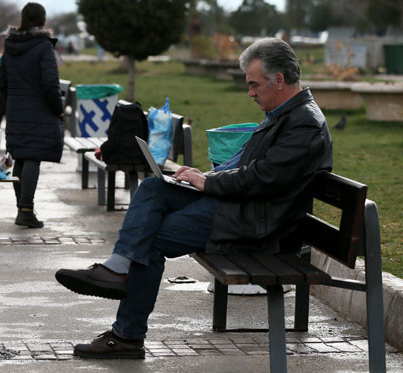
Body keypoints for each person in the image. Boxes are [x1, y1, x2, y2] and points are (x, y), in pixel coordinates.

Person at [55, 38, 333, 359]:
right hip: (243, 208)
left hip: (258, 225)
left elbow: (264, 178)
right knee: (154, 188)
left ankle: (127, 335)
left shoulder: (304, 124)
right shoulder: (285, 115)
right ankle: (117, 269)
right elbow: (247, 166)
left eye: (254, 84)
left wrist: (207, 183)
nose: (251, 92)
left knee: (151, 238)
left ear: (279, 80)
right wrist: (204, 177)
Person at [0, 2, 63, 228]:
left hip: (17, 108)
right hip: (39, 109)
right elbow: (50, 83)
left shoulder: (11, 45)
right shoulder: (43, 46)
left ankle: (23, 208)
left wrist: (16, 99)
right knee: (32, 157)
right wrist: (58, 108)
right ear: (43, 21)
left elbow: (2, 81)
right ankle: (26, 210)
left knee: (20, 155)